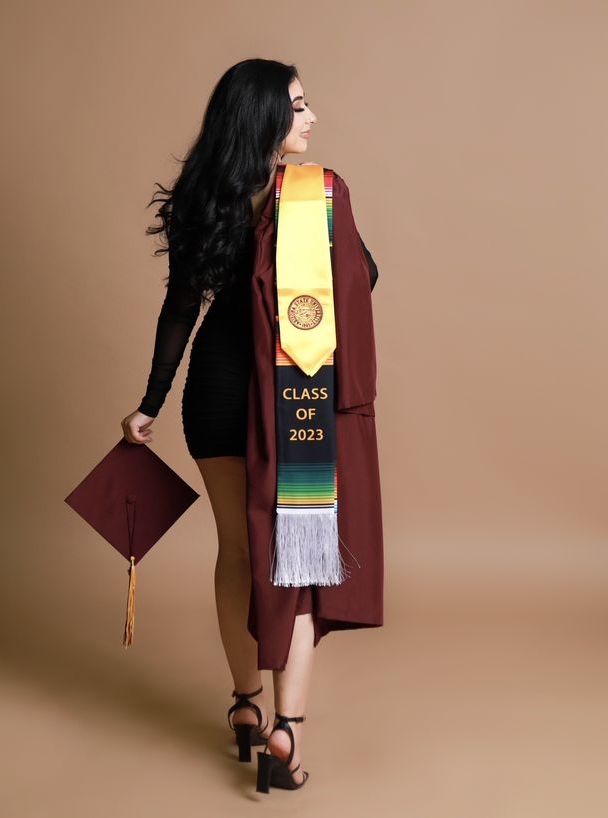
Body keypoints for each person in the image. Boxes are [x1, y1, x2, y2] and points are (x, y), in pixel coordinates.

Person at [122, 59, 378, 791]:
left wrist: (150, 400)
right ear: (266, 117)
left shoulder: (204, 195)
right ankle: (285, 731)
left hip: (213, 391)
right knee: (294, 557)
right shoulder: (317, 196)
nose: (311, 117)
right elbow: (365, 280)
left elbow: (181, 308)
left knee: (237, 550)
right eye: (298, 105)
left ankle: (241, 705)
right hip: (291, 396)